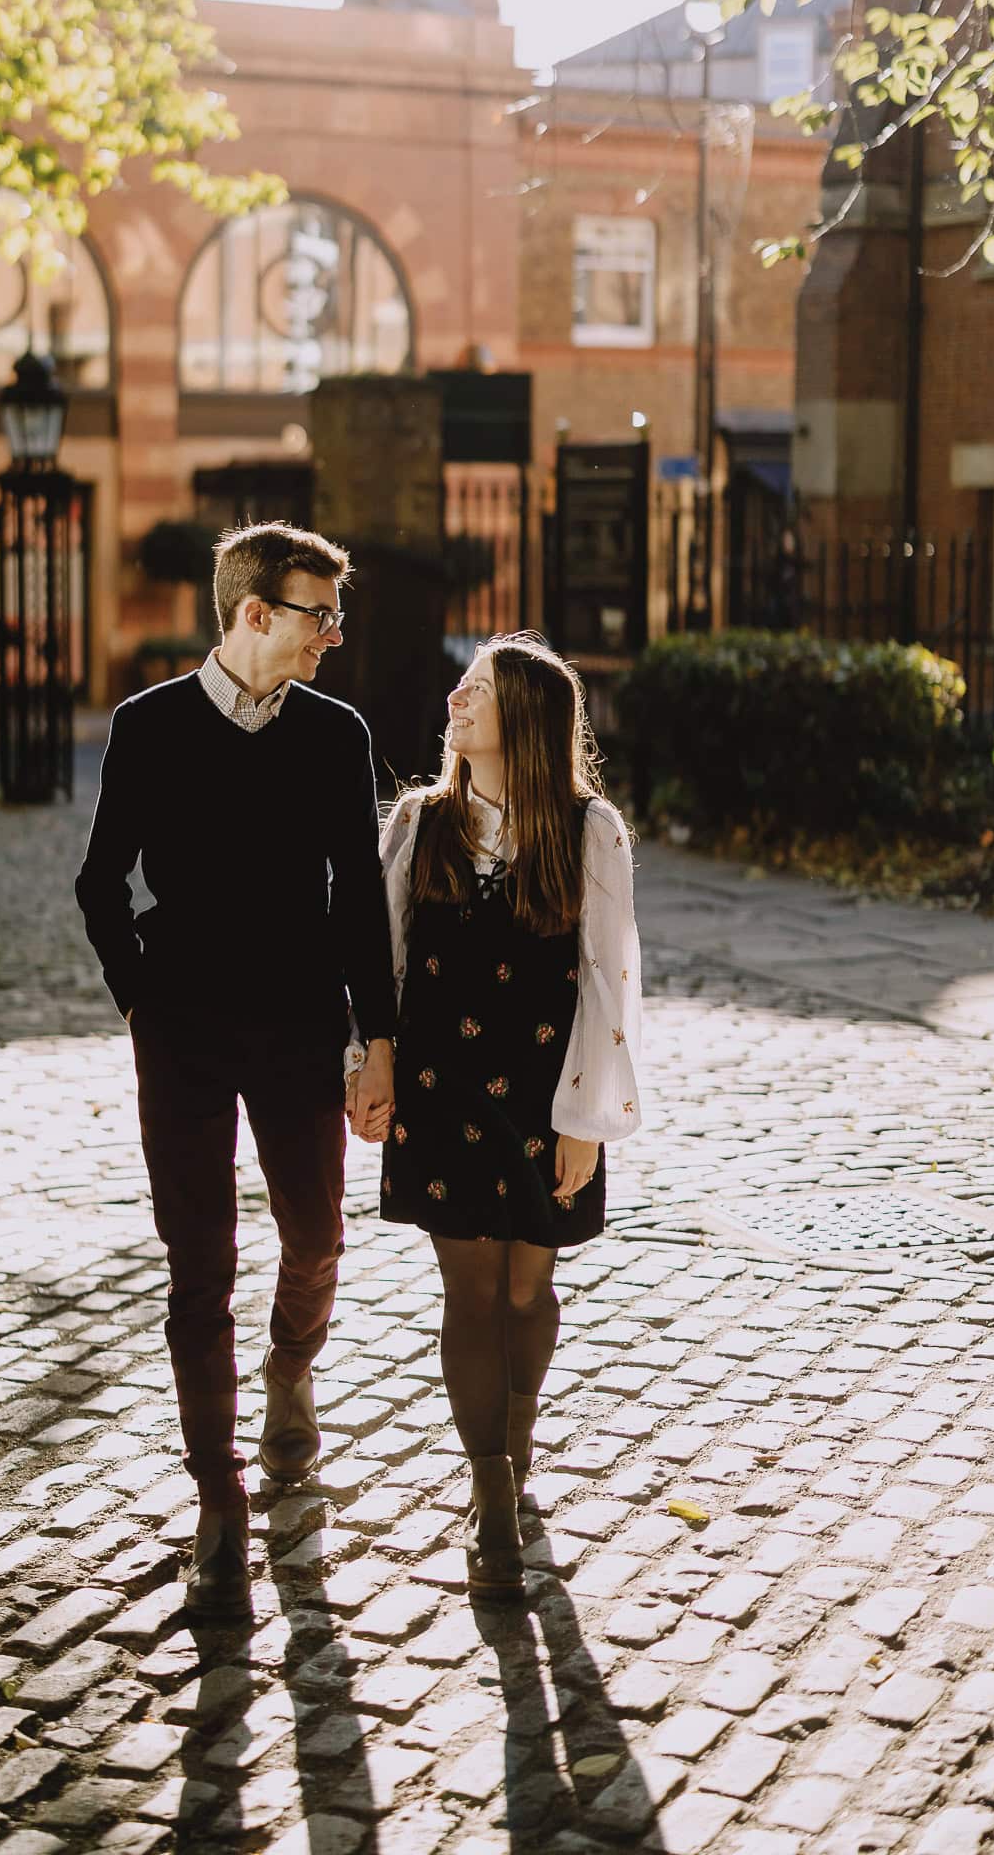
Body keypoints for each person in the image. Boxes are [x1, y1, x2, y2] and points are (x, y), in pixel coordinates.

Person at [75, 521, 396, 1619]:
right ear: (255, 613)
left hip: (303, 1028)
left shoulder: (335, 735)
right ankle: (220, 1499)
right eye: (319, 615)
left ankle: (290, 1368)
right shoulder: (149, 727)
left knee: (317, 1234)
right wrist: (141, 1000)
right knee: (197, 1264)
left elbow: (359, 893)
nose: (333, 636)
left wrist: (379, 1038)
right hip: (186, 1036)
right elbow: (98, 884)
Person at [357, 632, 642, 1599]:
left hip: (542, 1096)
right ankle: (492, 1497)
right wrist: (369, 1065)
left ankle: (513, 1455)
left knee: (528, 1289)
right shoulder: (416, 822)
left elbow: (608, 980)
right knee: (470, 1295)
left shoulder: (587, 828)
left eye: (475, 688)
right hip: (440, 1097)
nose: (454, 697)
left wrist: (583, 1120)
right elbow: (383, 963)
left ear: (522, 714)